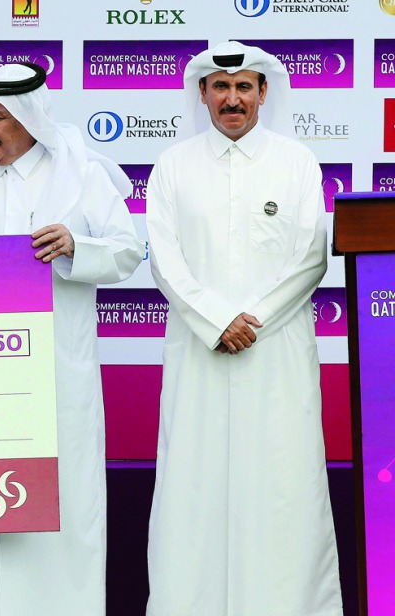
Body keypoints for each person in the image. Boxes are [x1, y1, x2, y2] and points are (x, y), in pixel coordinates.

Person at [0, 63, 145, 616]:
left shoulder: (80, 178)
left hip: (55, 379)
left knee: (63, 508)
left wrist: (75, 245)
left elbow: (128, 252)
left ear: (29, 118)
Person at [145, 42, 342, 615]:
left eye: (245, 86)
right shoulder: (173, 165)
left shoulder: (296, 160)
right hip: (199, 354)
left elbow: (311, 255)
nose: (233, 98)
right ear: (203, 94)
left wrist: (249, 323)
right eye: (221, 86)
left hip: (274, 355)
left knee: (282, 488)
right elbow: (165, 257)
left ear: (263, 93)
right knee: (193, 488)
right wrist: (216, 321)